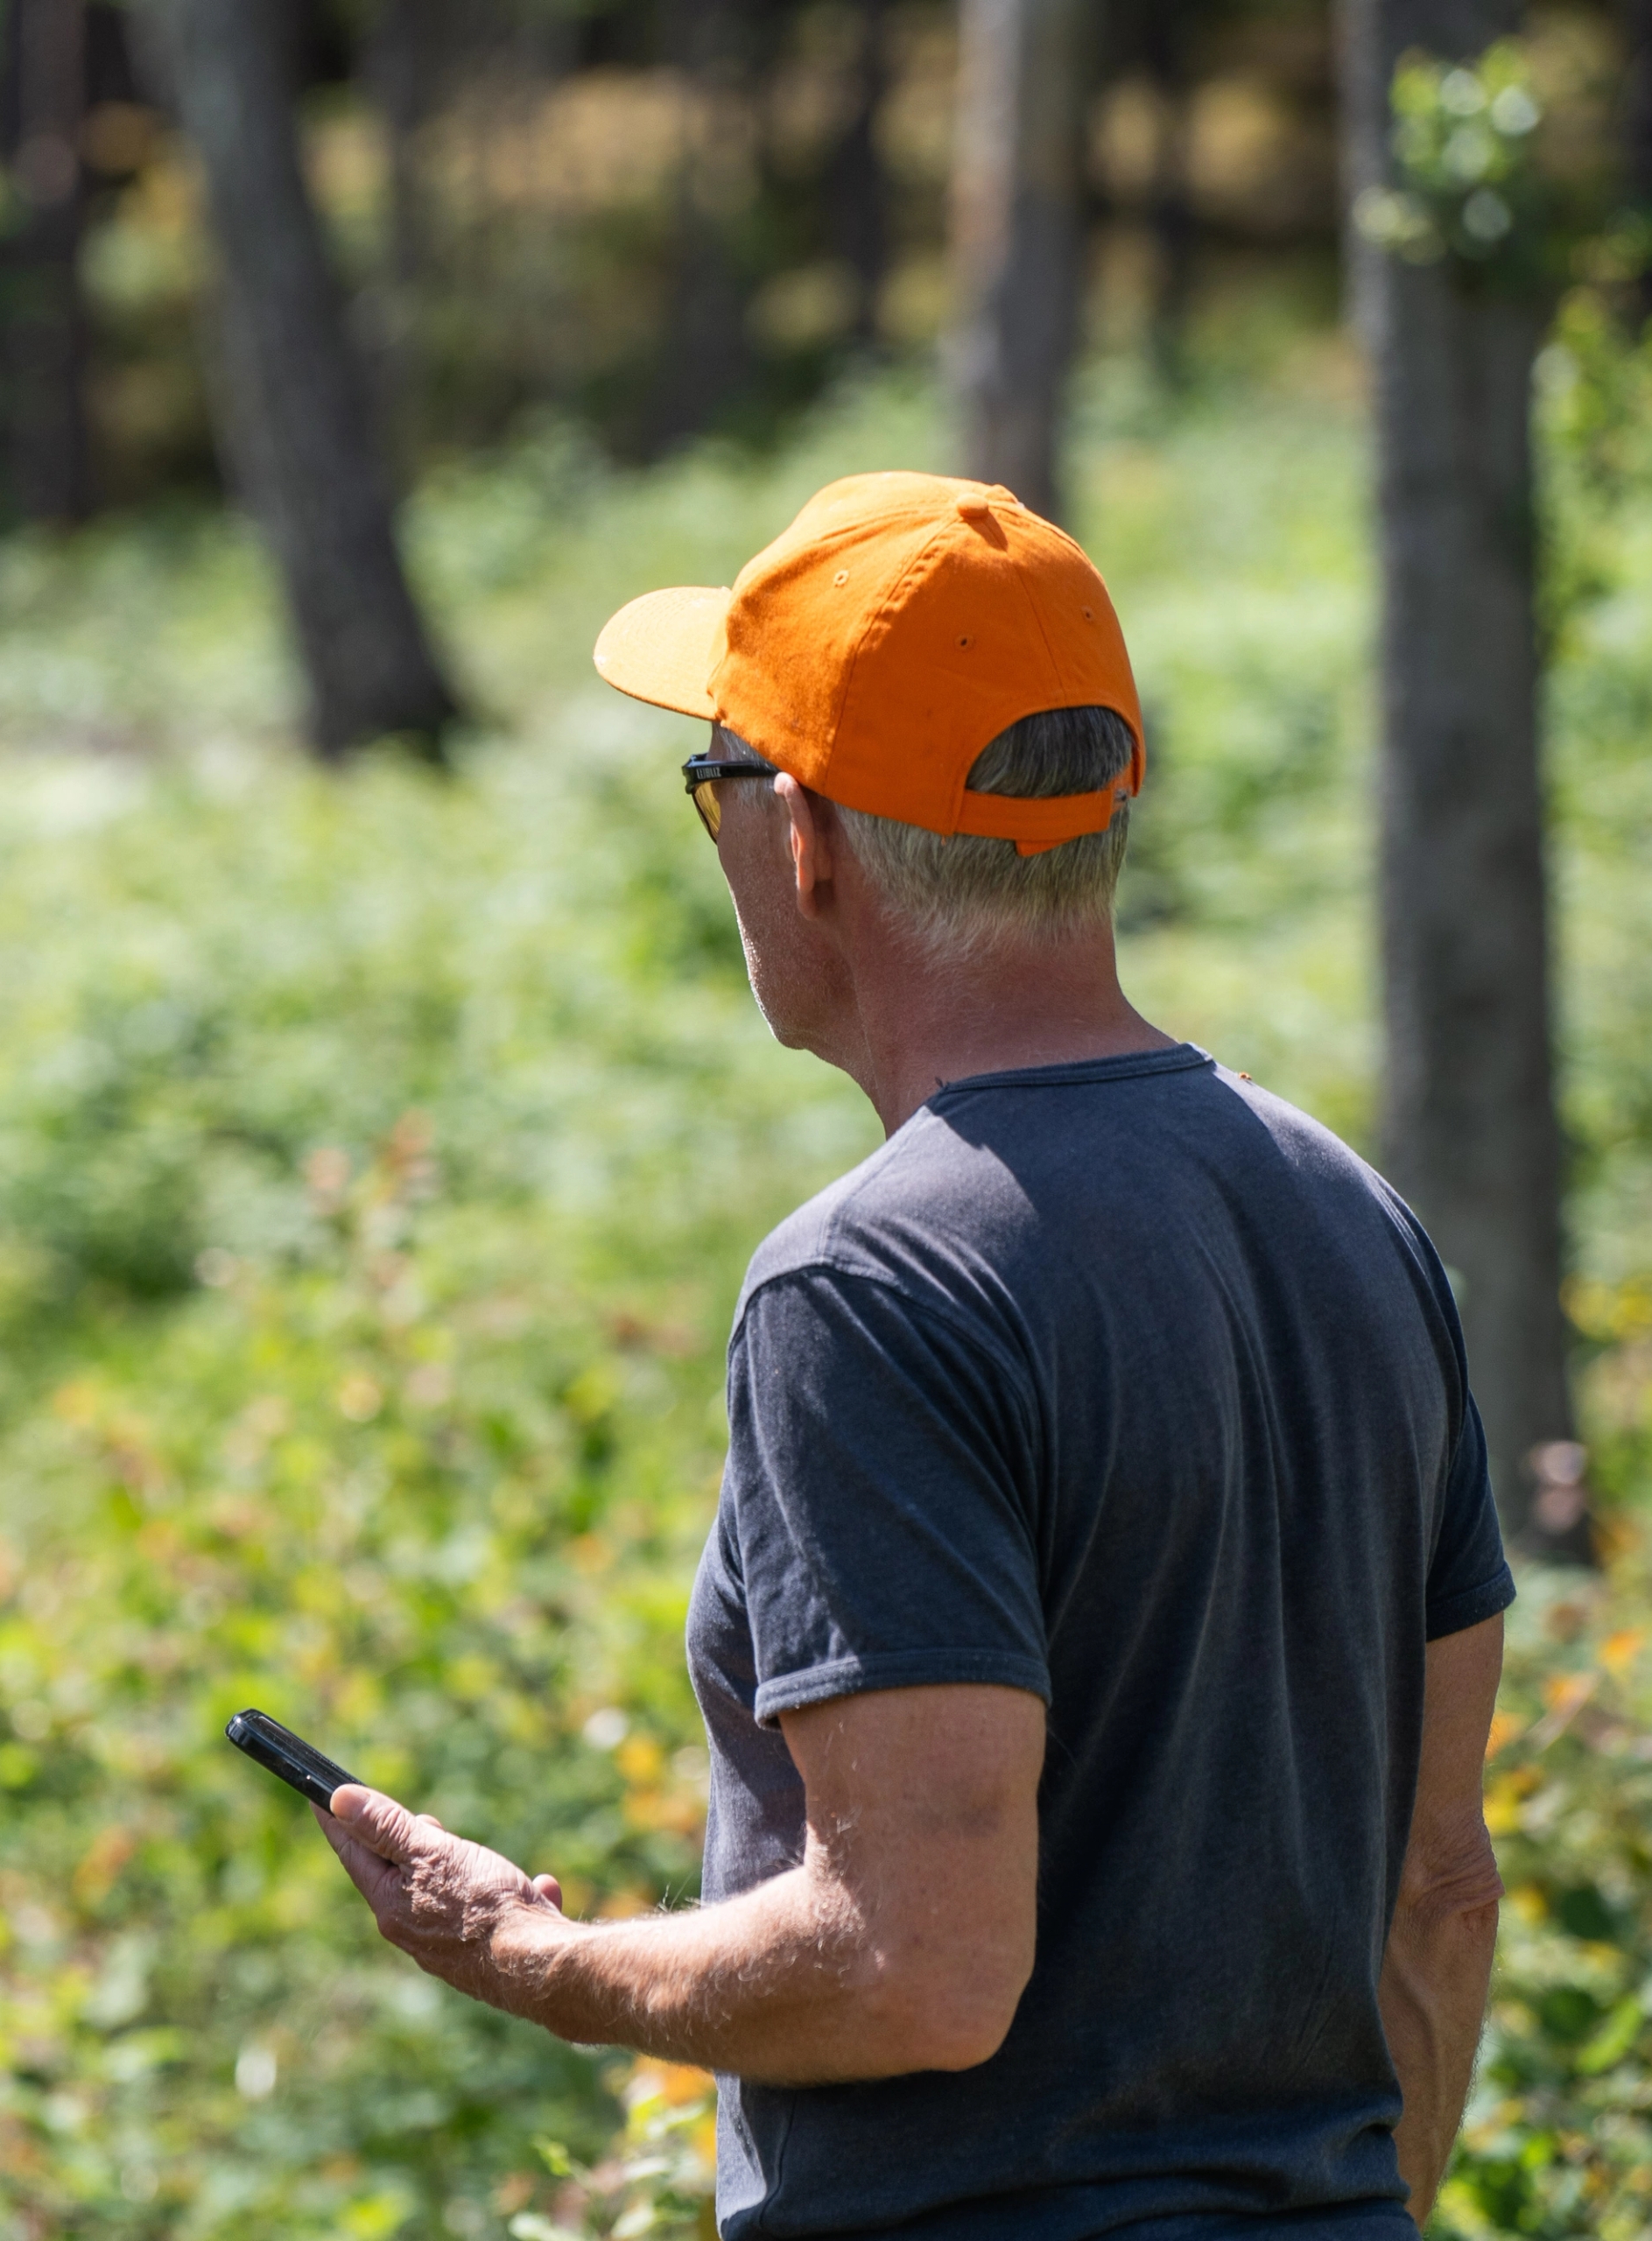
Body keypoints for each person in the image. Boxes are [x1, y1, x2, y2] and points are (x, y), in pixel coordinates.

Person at [313, 473, 1515, 2238]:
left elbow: (915, 1966)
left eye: (708, 777)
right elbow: (1441, 1887)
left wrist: (539, 1957)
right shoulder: (1357, 1218)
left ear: (802, 837)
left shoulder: (868, 1283)